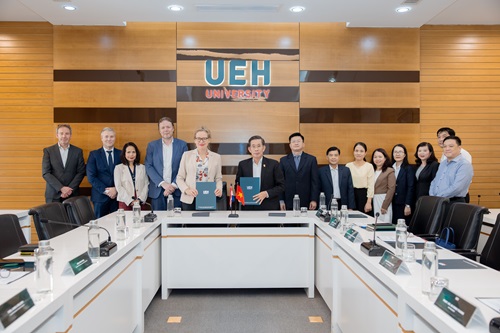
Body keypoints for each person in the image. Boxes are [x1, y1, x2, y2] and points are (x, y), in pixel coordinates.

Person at [145, 117, 188, 209]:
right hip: (158, 191)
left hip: (176, 190)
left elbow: (185, 167)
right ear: (159, 130)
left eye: (168, 127)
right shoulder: (152, 145)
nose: (166, 130)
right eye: (163, 128)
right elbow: (148, 166)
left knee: (176, 221)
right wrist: (163, 183)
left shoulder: (182, 145)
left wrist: (173, 185)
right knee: (158, 221)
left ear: (173, 128)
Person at [176, 127, 223, 211]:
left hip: (208, 197)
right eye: (198, 138)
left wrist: (219, 189)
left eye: (204, 138)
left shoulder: (216, 157)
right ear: (195, 140)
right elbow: (179, 178)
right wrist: (186, 190)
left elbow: (218, 178)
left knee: (206, 223)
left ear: (209, 140)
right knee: (190, 224)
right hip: (190, 198)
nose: (201, 141)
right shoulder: (187, 155)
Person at [235, 135, 285, 210]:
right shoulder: (243, 165)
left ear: (263, 148)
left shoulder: (274, 164)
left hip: (269, 206)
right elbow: (238, 185)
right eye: (253, 146)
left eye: (259, 146)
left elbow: (282, 186)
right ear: (249, 149)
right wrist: (240, 195)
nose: (256, 149)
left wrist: (266, 193)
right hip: (248, 207)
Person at [42, 124, 86, 203]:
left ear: (70, 135)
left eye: (67, 133)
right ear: (57, 135)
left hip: (72, 194)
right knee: (53, 216)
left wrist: (69, 189)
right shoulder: (48, 151)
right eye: (61, 133)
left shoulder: (78, 151)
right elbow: (46, 173)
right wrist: (61, 188)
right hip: (53, 195)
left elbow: (81, 172)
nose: (64, 136)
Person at [86, 127, 122, 218]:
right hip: (100, 197)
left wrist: (116, 189)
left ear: (115, 138)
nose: (109, 139)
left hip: (118, 197)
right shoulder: (94, 154)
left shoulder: (121, 154)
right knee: (100, 226)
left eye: (111, 136)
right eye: (106, 136)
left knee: (118, 224)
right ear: (101, 138)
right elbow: (91, 177)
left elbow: (125, 175)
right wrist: (107, 191)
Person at [279, 132, 319, 211]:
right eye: (293, 141)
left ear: (303, 144)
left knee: (306, 223)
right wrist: (281, 200)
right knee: (289, 223)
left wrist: (314, 199)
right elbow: (280, 182)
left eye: (298, 141)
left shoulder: (311, 159)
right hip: (288, 200)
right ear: (290, 145)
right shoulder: (283, 160)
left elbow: (315, 181)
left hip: (307, 201)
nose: (296, 143)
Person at [430, 136, 473, 203]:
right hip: (438, 201)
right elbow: (435, 181)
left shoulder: (464, 165)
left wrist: (438, 196)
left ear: (459, 148)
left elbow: (457, 187)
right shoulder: (443, 163)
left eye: (451, 146)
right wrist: (432, 195)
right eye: (445, 146)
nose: (447, 149)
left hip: (454, 202)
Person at [114, 142, 149, 211]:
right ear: (124, 154)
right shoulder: (118, 168)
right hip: (125, 202)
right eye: (128, 152)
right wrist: (129, 201)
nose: (131, 154)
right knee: (127, 221)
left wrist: (140, 199)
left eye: (133, 152)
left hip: (140, 202)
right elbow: (119, 186)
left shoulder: (142, 167)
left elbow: (146, 184)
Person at [346, 142, 374, 214]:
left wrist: (369, 202)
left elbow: (371, 185)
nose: (358, 153)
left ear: (365, 153)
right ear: (353, 152)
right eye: (356, 151)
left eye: (361, 151)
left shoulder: (369, 166)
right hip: (351, 195)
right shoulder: (348, 166)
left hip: (364, 196)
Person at [391, 144, 415, 225]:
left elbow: (410, 187)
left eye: (400, 152)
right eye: (395, 152)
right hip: (391, 203)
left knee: (401, 227)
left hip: (402, 204)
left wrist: (408, 205)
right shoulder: (390, 168)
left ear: (404, 155)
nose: (397, 154)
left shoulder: (408, 168)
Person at [371, 148, 396, 223]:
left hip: (383, 200)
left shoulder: (389, 170)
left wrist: (385, 206)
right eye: (375, 157)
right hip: (373, 199)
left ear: (385, 158)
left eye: (380, 157)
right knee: (374, 222)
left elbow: (391, 189)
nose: (377, 159)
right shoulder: (372, 170)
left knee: (384, 222)